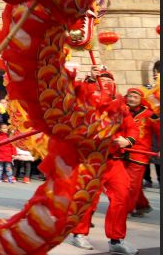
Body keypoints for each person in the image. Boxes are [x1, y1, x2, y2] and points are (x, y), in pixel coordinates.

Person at [67, 70, 140, 254]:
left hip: (115, 161)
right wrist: (89, 79)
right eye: (102, 81)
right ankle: (79, 234)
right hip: (93, 160)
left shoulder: (120, 107)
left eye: (109, 81)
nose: (106, 84)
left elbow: (132, 128)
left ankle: (116, 239)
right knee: (88, 198)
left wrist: (127, 140)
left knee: (122, 197)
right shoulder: (85, 104)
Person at [123, 87, 157, 217]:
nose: (131, 99)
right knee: (128, 183)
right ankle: (142, 205)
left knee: (131, 184)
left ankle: (124, 209)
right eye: (130, 96)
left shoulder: (149, 115)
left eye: (135, 97)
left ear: (141, 100)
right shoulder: (122, 110)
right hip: (122, 151)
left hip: (140, 155)